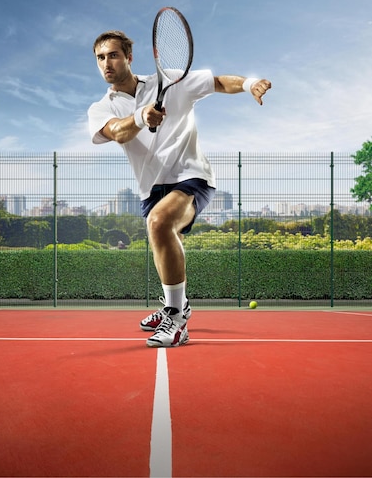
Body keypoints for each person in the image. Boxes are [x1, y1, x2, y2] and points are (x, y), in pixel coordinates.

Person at [88, 29, 271, 348]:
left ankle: (176, 318)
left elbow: (216, 82)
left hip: (192, 177)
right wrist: (142, 117)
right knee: (165, 245)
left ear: (129, 58)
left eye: (113, 55)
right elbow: (117, 132)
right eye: (101, 58)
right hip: (151, 189)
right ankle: (177, 303)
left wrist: (247, 84)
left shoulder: (169, 80)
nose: (107, 63)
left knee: (158, 223)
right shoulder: (100, 108)